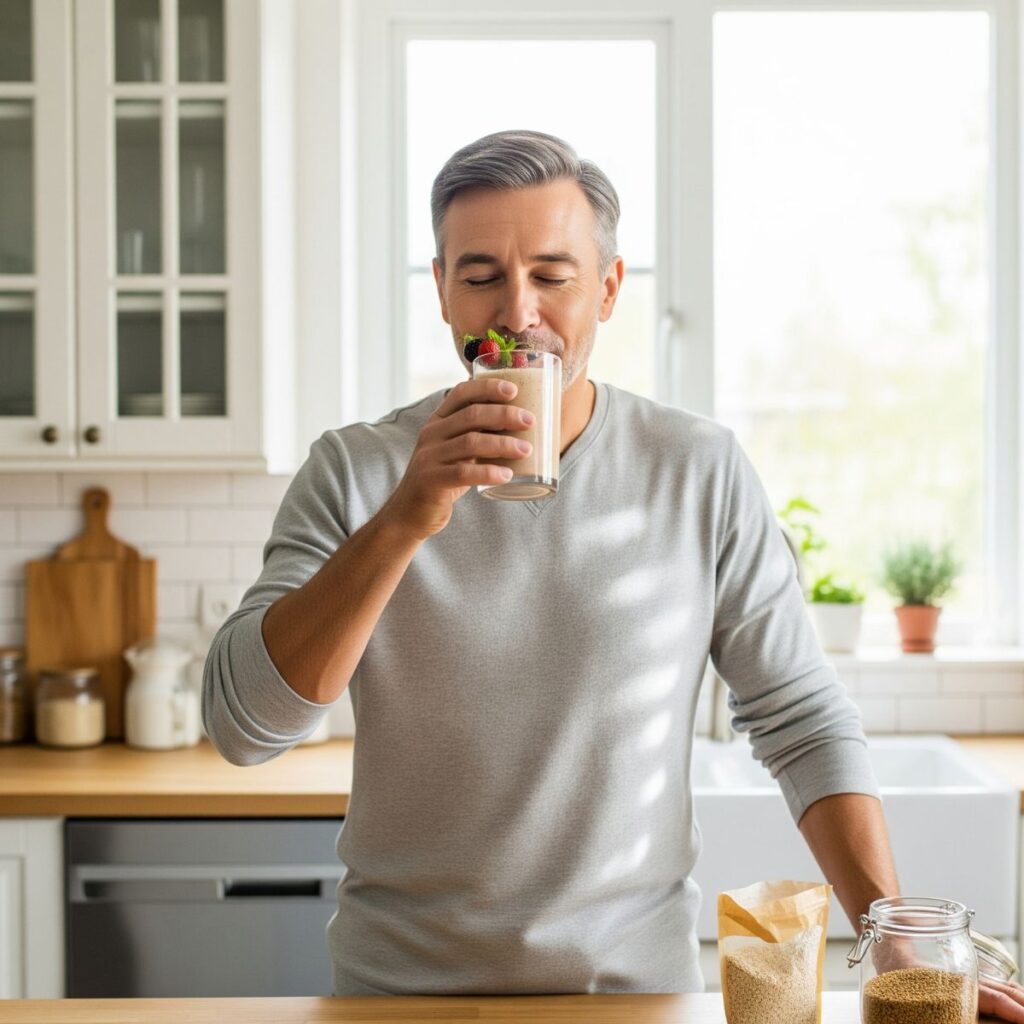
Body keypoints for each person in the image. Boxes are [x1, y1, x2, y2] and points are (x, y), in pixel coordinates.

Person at [202, 129, 1024, 1018]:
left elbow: (801, 719)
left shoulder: (698, 468)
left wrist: (891, 934)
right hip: (398, 1001)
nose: (517, 311)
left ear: (608, 287)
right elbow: (247, 728)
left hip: (634, 1001)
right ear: (441, 291)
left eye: (552, 275)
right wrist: (408, 515)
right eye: (480, 276)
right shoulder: (354, 471)